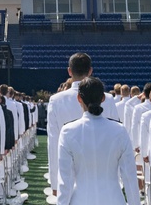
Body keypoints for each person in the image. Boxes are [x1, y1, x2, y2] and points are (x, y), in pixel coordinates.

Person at [56, 77, 139, 205]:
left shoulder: (68, 131)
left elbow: (65, 181)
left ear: (79, 98)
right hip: (113, 199)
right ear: (103, 98)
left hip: (81, 200)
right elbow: (129, 177)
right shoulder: (119, 130)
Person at [47, 52, 97, 197]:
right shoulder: (107, 99)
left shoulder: (56, 100)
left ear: (69, 71)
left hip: (67, 171)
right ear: (90, 71)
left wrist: (55, 182)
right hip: (99, 174)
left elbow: (54, 142)